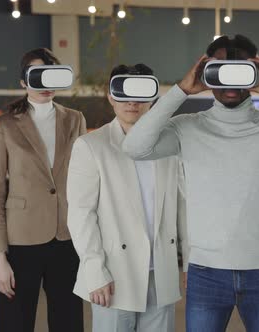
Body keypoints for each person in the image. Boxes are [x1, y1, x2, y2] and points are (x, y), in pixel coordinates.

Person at [122, 34, 259, 332]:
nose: (230, 82)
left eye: (240, 71)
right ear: (205, 73)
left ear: (256, 73)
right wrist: (182, 90)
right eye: (220, 71)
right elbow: (134, 148)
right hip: (206, 272)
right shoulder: (187, 127)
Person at [66, 64, 188, 332]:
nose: (132, 102)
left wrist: (190, 260)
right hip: (113, 274)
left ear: (153, 98)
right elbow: (80, 214)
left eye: (141, 94)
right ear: (110, 96)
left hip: (161, 272)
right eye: (123, 93)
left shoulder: (168, 146)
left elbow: (183, 208)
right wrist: (94, 271)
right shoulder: (91, 146)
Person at [0, 48, 86, 332]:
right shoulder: (3, 125)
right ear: (23, 82)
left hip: (66, 239)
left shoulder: (75, 119)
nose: (45, 84)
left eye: (50, 75)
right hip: (20, 242)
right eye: (36, 76)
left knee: (68, 324)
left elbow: (82, 182)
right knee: (13, 324)